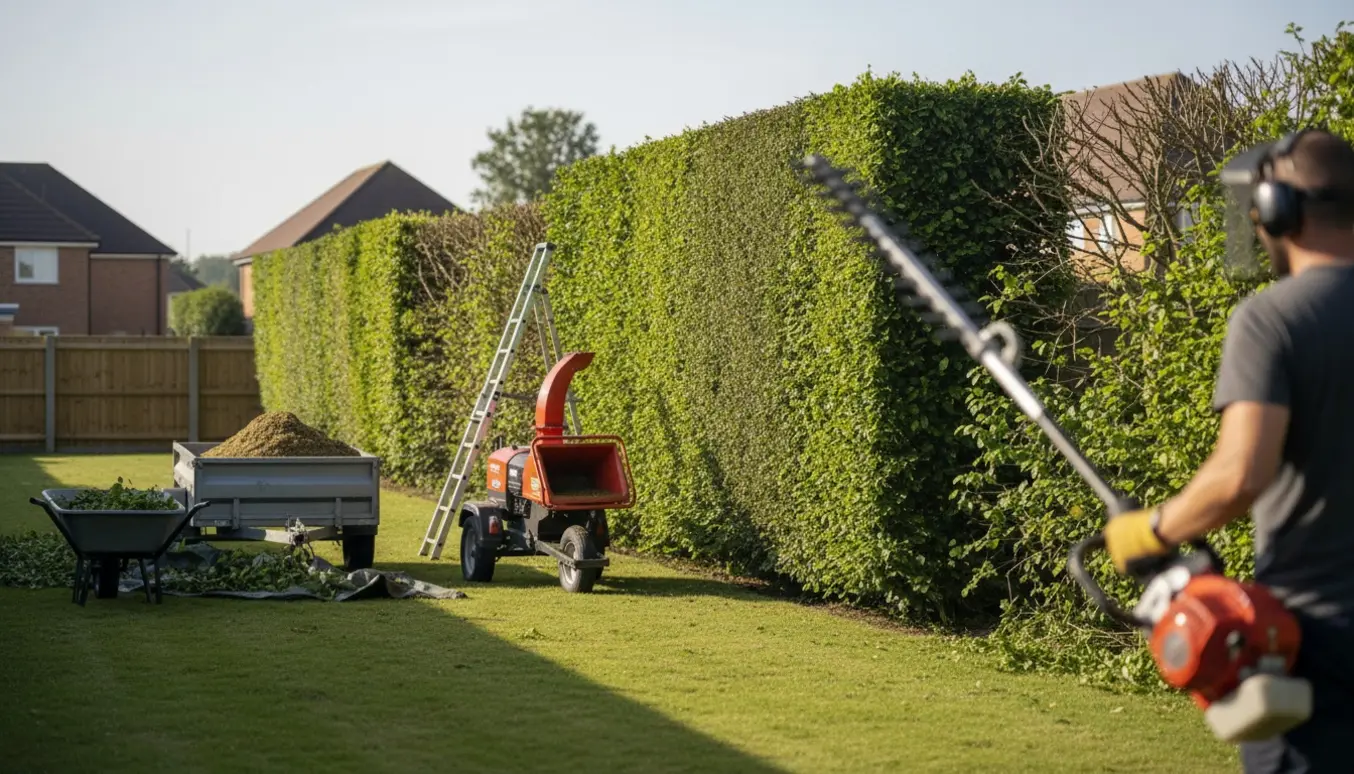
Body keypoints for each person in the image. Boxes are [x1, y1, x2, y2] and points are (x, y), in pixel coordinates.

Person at [1101, 128, 1354, 773]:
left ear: (1277, 209)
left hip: (1322, 650)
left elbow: (1241, 474)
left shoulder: (1274, 320)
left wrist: (1152, 528)